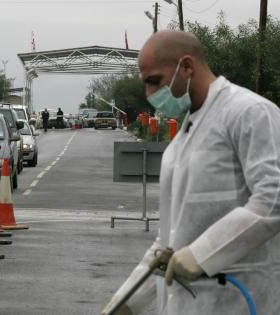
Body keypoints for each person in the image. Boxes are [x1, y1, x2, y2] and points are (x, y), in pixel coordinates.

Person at [102, 30, 280, 315]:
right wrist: (125, 303)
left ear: (186, 66)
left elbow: (273, 199)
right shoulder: (181, 142)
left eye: (155, 81)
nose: (149, 94)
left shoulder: (249, 112)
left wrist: (202, 253)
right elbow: (168, 243)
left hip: (240, 301)